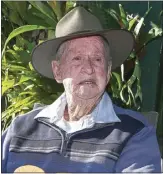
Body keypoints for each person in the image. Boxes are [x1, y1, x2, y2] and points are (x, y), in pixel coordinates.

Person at [2, 6, 161, 173]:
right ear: (58, 71)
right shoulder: (20, 128)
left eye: (98, 59)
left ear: (107, 72)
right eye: (77, 58)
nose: (89, 68)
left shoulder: (134, 132)